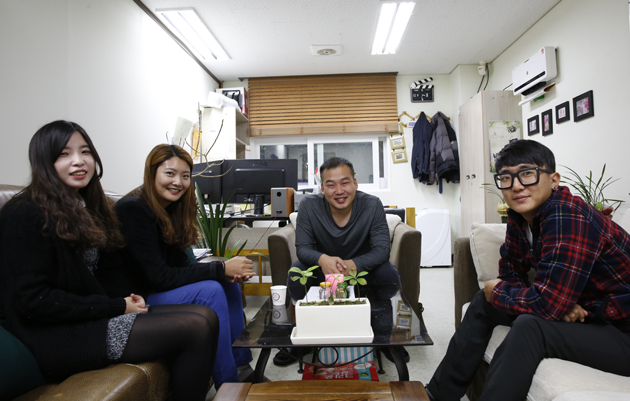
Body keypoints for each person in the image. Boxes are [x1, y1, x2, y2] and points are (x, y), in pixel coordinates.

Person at [0, 121, 219, 401]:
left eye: (85, 152)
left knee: (205, 316)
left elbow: (97, 279)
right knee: (195, 327)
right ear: (44, 162)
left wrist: (122, 301)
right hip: (55, 336)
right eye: (64, 154)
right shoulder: (24, 213)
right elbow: (33, 300)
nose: (79, 161)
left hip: (89, 319)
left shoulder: (83, 207)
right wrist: (116, 306)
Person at [425, 139, 630, 401]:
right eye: (506, 178)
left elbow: (546, 303)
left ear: (554, 180)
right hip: (589, 314)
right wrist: (556, 305)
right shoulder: (520, 217)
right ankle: (436, 396)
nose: (516, 186)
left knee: (530, 326)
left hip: (621, 330)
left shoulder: (567, 214)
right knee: (484, 302)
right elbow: (511, 271)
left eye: (527, 174)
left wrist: (535, 300)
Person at [97, 144, 257, 388]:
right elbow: (158, 276)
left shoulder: (169, 210)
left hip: (153, 290)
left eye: (185, 176)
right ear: (152, 174)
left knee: (227, 285)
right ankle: (230, 387)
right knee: (211, 291)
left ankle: (242, 367)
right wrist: (221, 269)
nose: (178, 182)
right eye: (170, 173)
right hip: (134, 299)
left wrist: (223, 273)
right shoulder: (133, 210)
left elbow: (181, 265)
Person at [281, 157, 402, 366]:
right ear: (322, 188)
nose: (339, 191)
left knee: (388, 273)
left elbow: (382, 250)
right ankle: (305, 335)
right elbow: (303, 248)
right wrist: (322, 259)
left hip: (362, 272)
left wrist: (352, 265)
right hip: (322, 273)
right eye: (331, 185)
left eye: (345, 183)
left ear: (355, 182)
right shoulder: (309, 205)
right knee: (296, 273)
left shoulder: (372, 204)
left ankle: (383, 336)